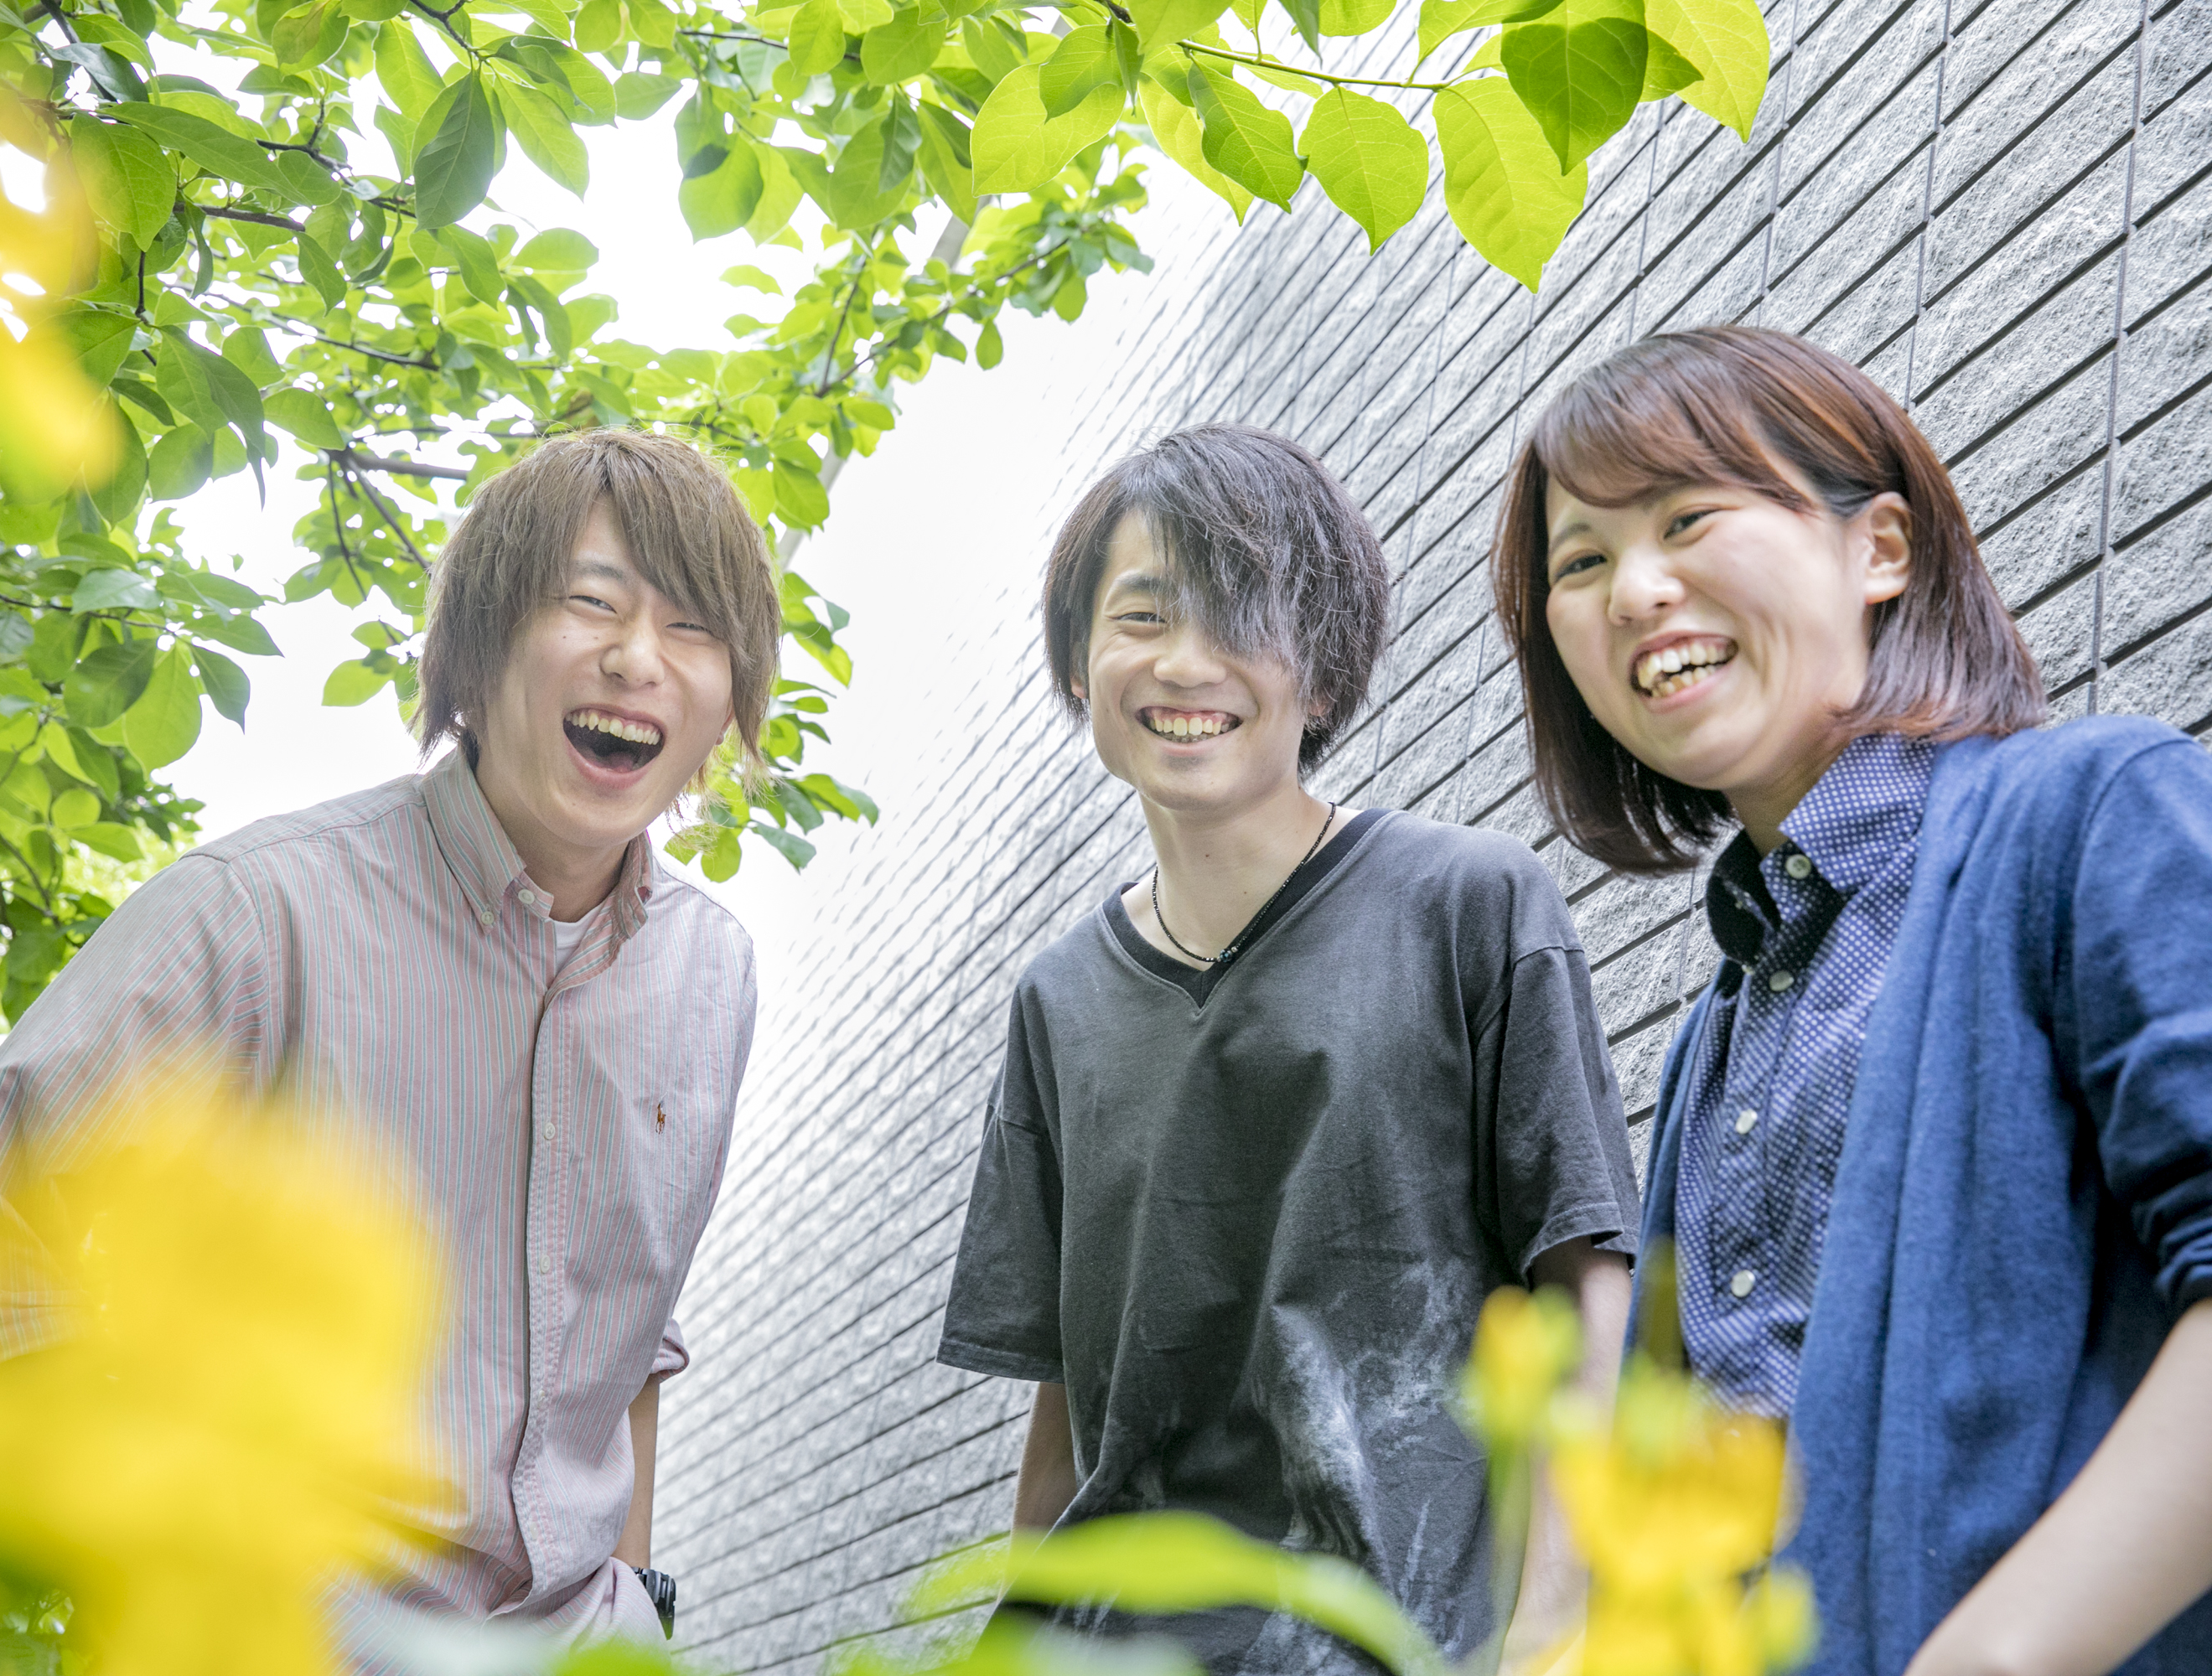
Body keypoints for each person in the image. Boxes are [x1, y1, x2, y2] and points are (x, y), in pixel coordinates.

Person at [0, 429, 779, 1663]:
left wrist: (636, 1608)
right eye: (591, 603)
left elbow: (632, 1344)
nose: (637, 658)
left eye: (693, 628)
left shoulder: (711, 974)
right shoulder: (255, 912)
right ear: (476, 649)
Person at [1489, 325, 2212, 1675]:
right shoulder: (1717, 1030)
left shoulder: (2092, 811)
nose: (1634, 590)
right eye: (1579, 563)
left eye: (1687, 518)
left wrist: (1998, 1654)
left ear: (1880, 549)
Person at [936, 424, 1643, 1673]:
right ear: (1080, 663)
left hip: (1403, 1639)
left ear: (1321, 672)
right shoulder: (1057, 1000)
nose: (1185, 661)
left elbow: (1586, 1287)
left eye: (1240, 616)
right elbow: (1070, 1401)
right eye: (1143, 615)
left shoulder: (1469, 902)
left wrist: (1552, 1629)